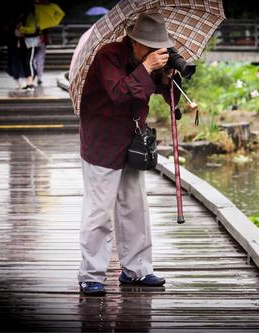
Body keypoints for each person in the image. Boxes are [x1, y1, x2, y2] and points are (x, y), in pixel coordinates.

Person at [78, 12, 180, 296]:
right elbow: (121, 92)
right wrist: (147, 68)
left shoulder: (144, 60)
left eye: (157, 47)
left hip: (132, 141)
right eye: (149, 46)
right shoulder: (107, 55)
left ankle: (137, 270)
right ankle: (91, 274)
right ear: (134, 41)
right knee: (99, 211)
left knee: (135, 208)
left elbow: (156, 90)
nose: (154, 52)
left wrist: (167, 78)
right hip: (102, 141)